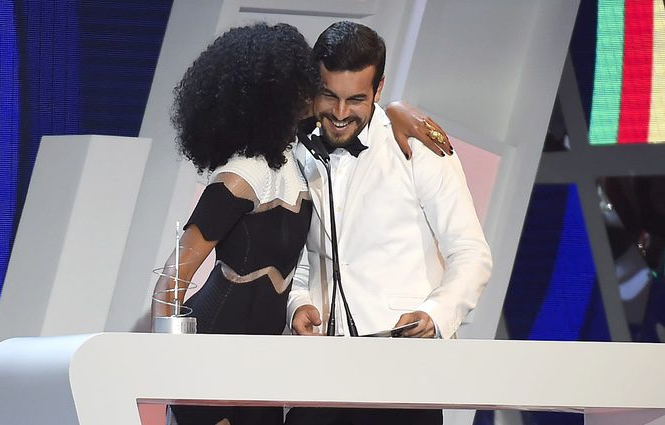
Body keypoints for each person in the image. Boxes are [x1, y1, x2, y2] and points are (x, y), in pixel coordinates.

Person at [150, 22, 452, 425]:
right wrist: (168, 371)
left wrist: (397, 110)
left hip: (267, 369)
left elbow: (358, 112)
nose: (320, 98)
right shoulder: (241, 176)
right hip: (213, 360)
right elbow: (171, 280)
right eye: (304, 87)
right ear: (266, 95)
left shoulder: (301, 160)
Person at [286, 21, 493, 425]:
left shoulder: (419, 148)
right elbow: (306, 257)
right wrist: (299, 303)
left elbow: (470, 253)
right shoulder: (300, 150)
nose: (341, 114)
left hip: (403, 377)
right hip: (318, 377)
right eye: (330, 96)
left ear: (378, 90)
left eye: (356, 99)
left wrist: (435, 314)